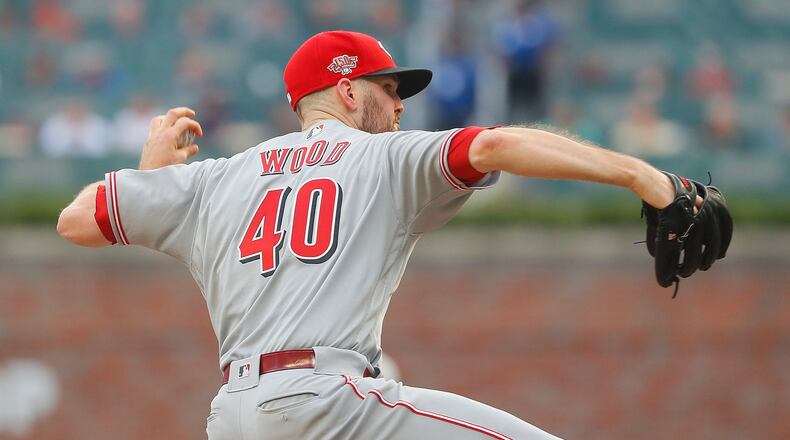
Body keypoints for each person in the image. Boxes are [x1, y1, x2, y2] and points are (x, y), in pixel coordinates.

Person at [57, 30, 721, 439]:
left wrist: (151, 180)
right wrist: (645, 177)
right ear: (347, 93)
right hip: (327, 407)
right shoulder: (382, 156)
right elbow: (494, 144)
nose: (402, 105)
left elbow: (77, 220)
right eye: (388, 88)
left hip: (234, 417)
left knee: (387, 370)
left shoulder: (214, 180)